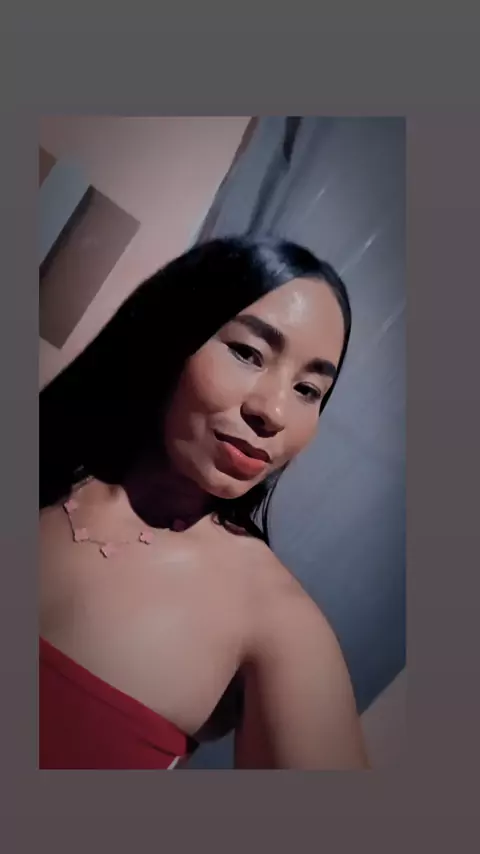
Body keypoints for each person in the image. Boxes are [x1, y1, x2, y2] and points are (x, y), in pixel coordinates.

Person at [39, 236, 369, 770]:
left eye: (308, 390)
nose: (274, 412)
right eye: (248, 353)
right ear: (171, 333)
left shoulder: (276, 622)